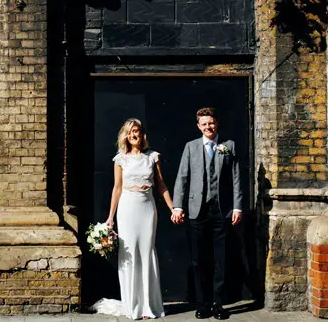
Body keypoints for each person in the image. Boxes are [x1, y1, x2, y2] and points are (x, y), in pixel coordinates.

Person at [95, 118, 175, 319]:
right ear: (126, 136)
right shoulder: (120, 159)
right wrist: (110, 217)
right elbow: (117, 188)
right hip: (127, 207)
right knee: (129, 254)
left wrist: (173, 208)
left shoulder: (152, 157)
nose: (134, 135)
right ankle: (133, 305)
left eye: (137, 131)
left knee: (147, 252)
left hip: (147, 207)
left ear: (142, 134)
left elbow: (161, 185)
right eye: (130, 132)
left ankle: (148, 306)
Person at [171, 108, 243, 320]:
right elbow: (182, 178)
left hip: (221, 211)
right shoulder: (191, 147)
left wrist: (237, 207)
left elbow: (237, 178)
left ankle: (219, 305)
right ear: (198, 126)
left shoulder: (228, 146)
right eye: (204, 124)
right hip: (197, 210)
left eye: (210, 123)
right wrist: (178, 206)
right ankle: (203, 304)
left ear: (216, 123)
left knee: (221, 259)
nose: (208, 127)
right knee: (199, 260)